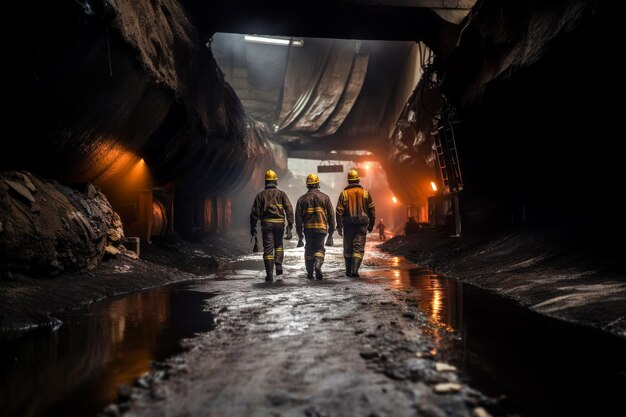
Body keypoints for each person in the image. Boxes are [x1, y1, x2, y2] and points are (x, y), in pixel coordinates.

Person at [250, 170, 294, 281]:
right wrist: (290, 224)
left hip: (267, 224)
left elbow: (254, 213)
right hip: (279, 223)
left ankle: (269, 275)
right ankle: (278, 263)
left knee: (268, 249)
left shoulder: (260, 195)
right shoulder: (282, 194)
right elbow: (289, 209)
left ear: (266, 182)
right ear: (275, 181)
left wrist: (253, 227)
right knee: (279, 245)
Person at [336, 169, 375, 277]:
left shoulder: (344, 194)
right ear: (358, 180)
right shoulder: (366, 194)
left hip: (348, 225)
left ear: (348, 181)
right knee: (358, 248)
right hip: (362, 225)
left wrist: (339, 226)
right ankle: (355, 271)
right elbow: (372, 210)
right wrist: (371, 224)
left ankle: (348, 271)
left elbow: (339, 211)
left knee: (348, 248)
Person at [295, 173, 335, 280]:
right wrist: (331, 233)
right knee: (319, 249)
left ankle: (309, 274)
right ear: (318, 184)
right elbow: (331, 216)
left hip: (308, 230)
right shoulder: (325, 198)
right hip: (321, 229)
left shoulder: (301, 199)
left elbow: (298, 220)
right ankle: (318, 265)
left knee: (308, 249)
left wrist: (300, 236)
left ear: (307, 185)